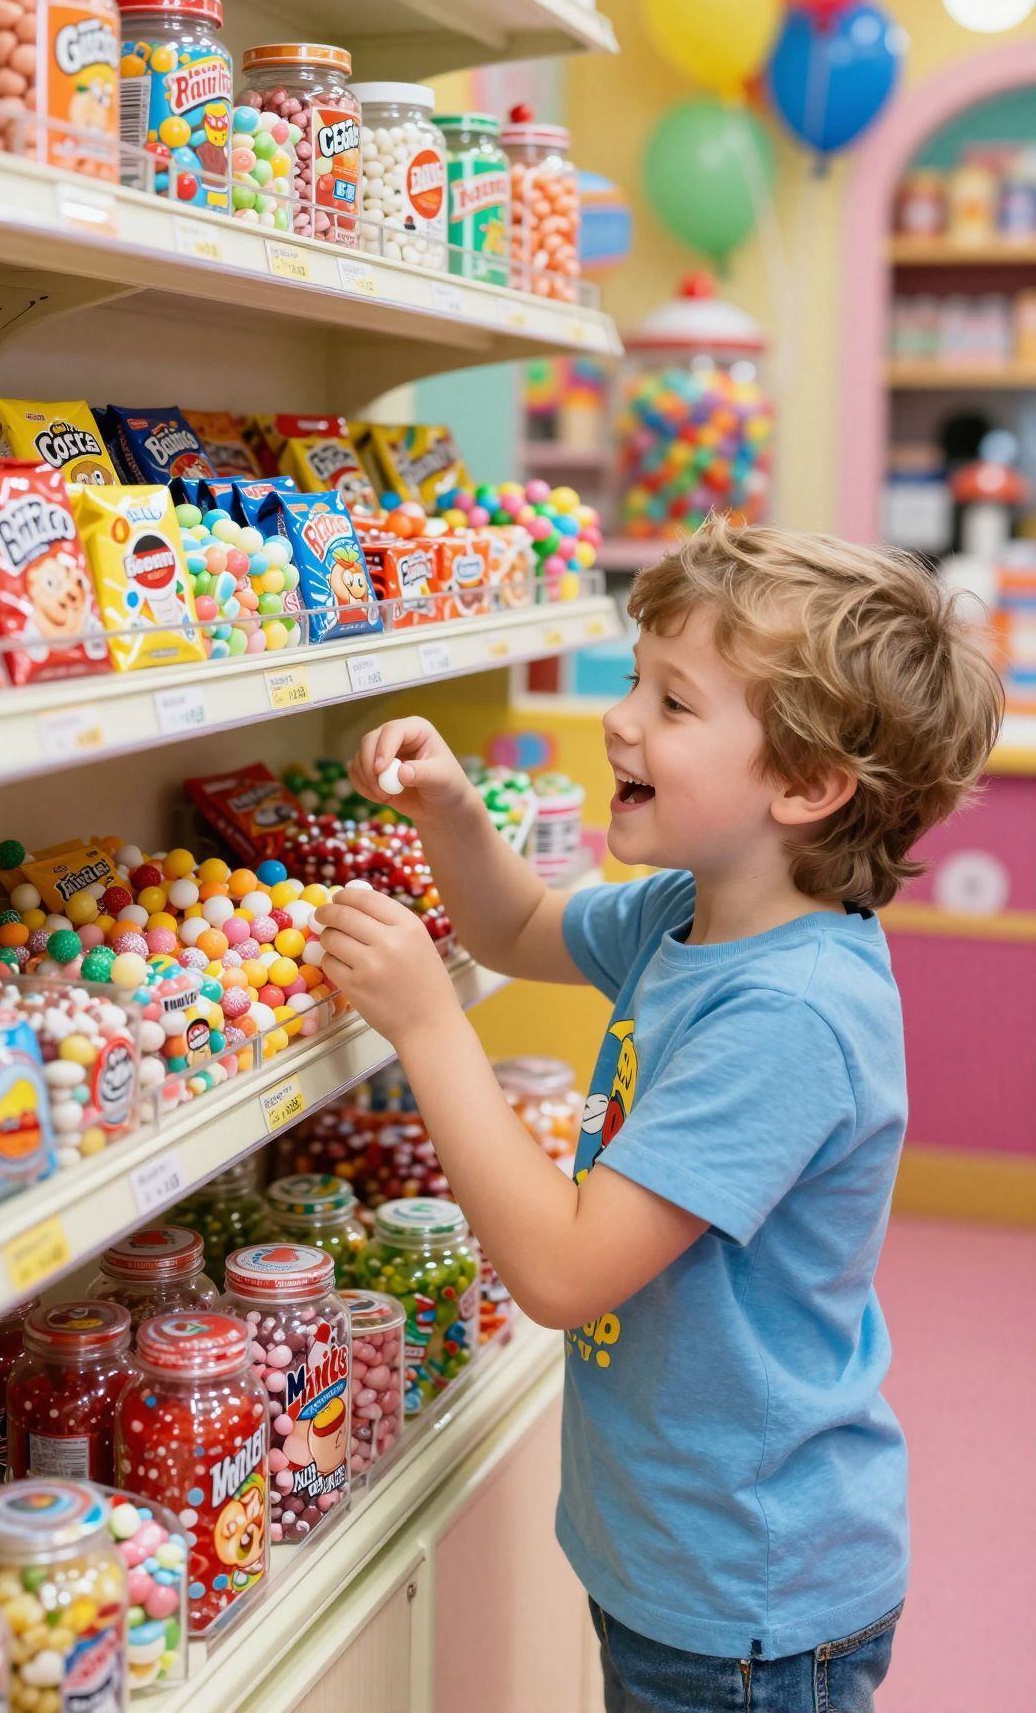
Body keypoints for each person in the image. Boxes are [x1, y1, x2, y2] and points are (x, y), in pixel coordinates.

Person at [318, 518, 1003, 1713]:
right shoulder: (689, 910)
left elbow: (566, 1268)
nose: (620, 717)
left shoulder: (789, 1014)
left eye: (673, 702)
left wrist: (430, 1026)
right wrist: (452, 809)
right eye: (635, 677)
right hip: (675, 1547)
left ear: (806, 784)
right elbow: (514, 927)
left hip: (749, 1595)